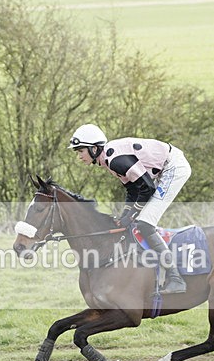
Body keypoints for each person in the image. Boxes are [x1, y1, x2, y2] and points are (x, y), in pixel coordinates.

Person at [68, 123, 191, 294]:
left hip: (173, 168)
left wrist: (131, 214)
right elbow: (133, 189)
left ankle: (175, 278)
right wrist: (126, 214)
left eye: (81, 151)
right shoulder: (108, 160)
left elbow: (147, 188)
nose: (79, 156)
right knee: (135, 222)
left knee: (145, 224)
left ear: (94, 149)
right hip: (162, 170)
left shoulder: (116, 160)